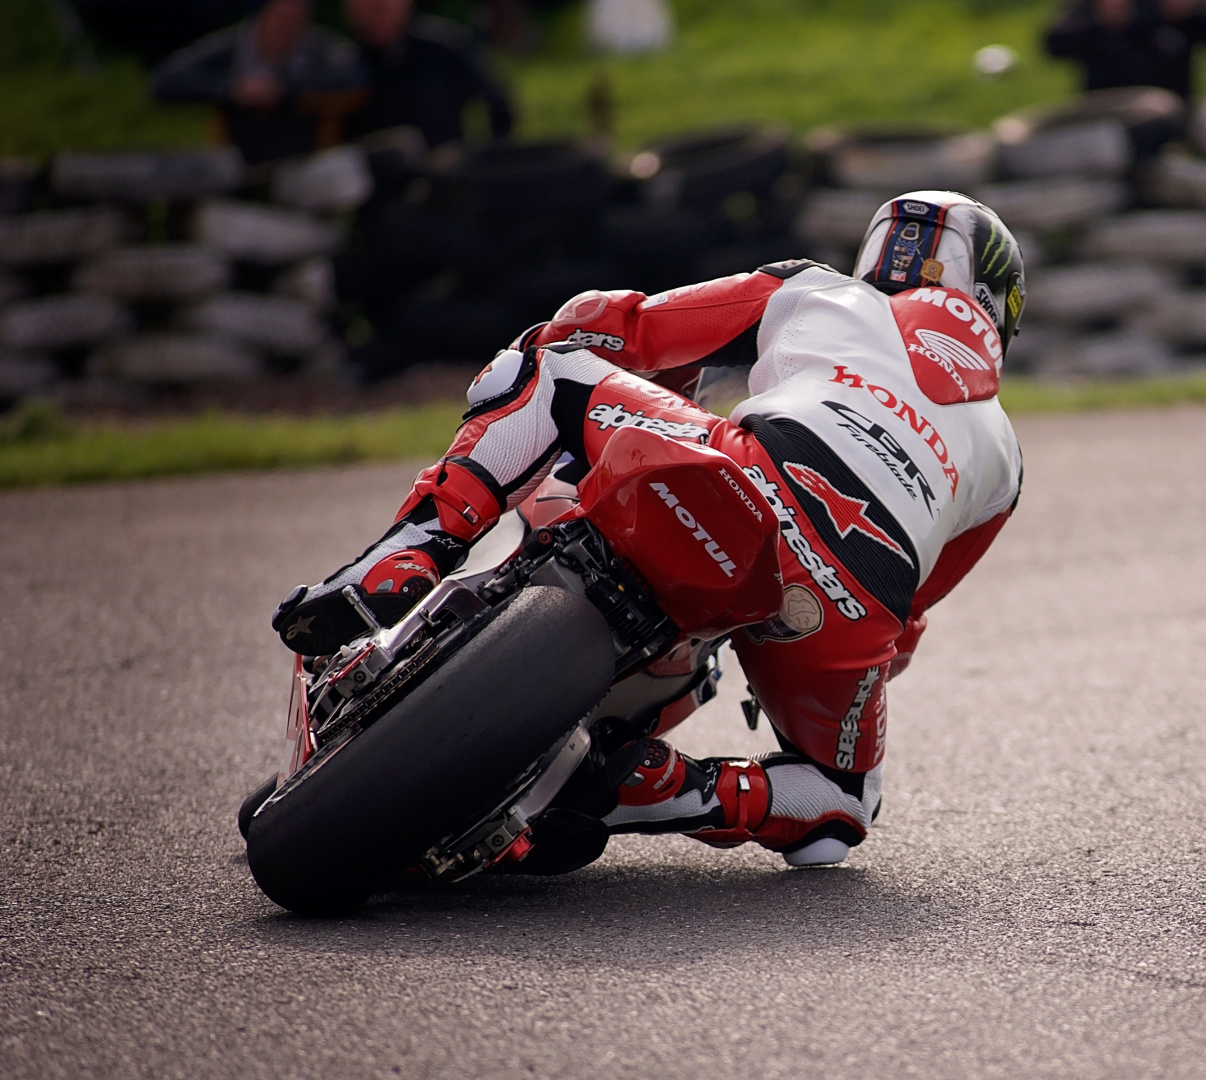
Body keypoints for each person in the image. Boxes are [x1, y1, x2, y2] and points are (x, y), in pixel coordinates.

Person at [271, 191, 1026, 870]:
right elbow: (909, 621)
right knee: (841, 810)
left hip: (748, 471)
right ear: (997, 302)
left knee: (545, 369)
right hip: (846, 603)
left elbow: (616, 325)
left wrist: (604, 363)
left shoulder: (817, 288)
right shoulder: (1006, 458)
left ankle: (410, 552)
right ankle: (672, 789)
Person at [151, 0, 367, 164]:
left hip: (302, 162)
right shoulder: (231, 48)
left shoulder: (318, 49)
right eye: (282, 17)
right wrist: (232, 89)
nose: (289, 27)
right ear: (261, 15)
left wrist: (283, 90)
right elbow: (166, 80)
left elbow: (354, 76)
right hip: (237, 163)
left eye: (297, 19)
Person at [342, 0, 516, 147]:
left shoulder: (444, 46)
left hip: (441, 164)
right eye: (363, 9)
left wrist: (487, 154)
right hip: (372, 170)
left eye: (380, 8)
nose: (371, 17)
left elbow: (497, 102)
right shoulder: (345, 65)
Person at [1043, 0, 1206, 99]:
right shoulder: (1094, 7)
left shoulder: (1170, 5)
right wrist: (1099, 22)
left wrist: (1191, 13)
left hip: (1174, 110)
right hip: (1106, 111)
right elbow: (1053, 45)